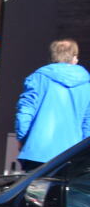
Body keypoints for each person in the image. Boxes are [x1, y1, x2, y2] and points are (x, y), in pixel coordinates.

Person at [14, 38, 90, 171]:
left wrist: (23, 138)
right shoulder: (86, 85)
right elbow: (87, 124)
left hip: (38, 152)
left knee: (35, 191)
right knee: (62, 191)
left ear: (52, 56)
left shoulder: (38, 78)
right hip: (71, 155)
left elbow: (25, 112)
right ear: (74, 58)